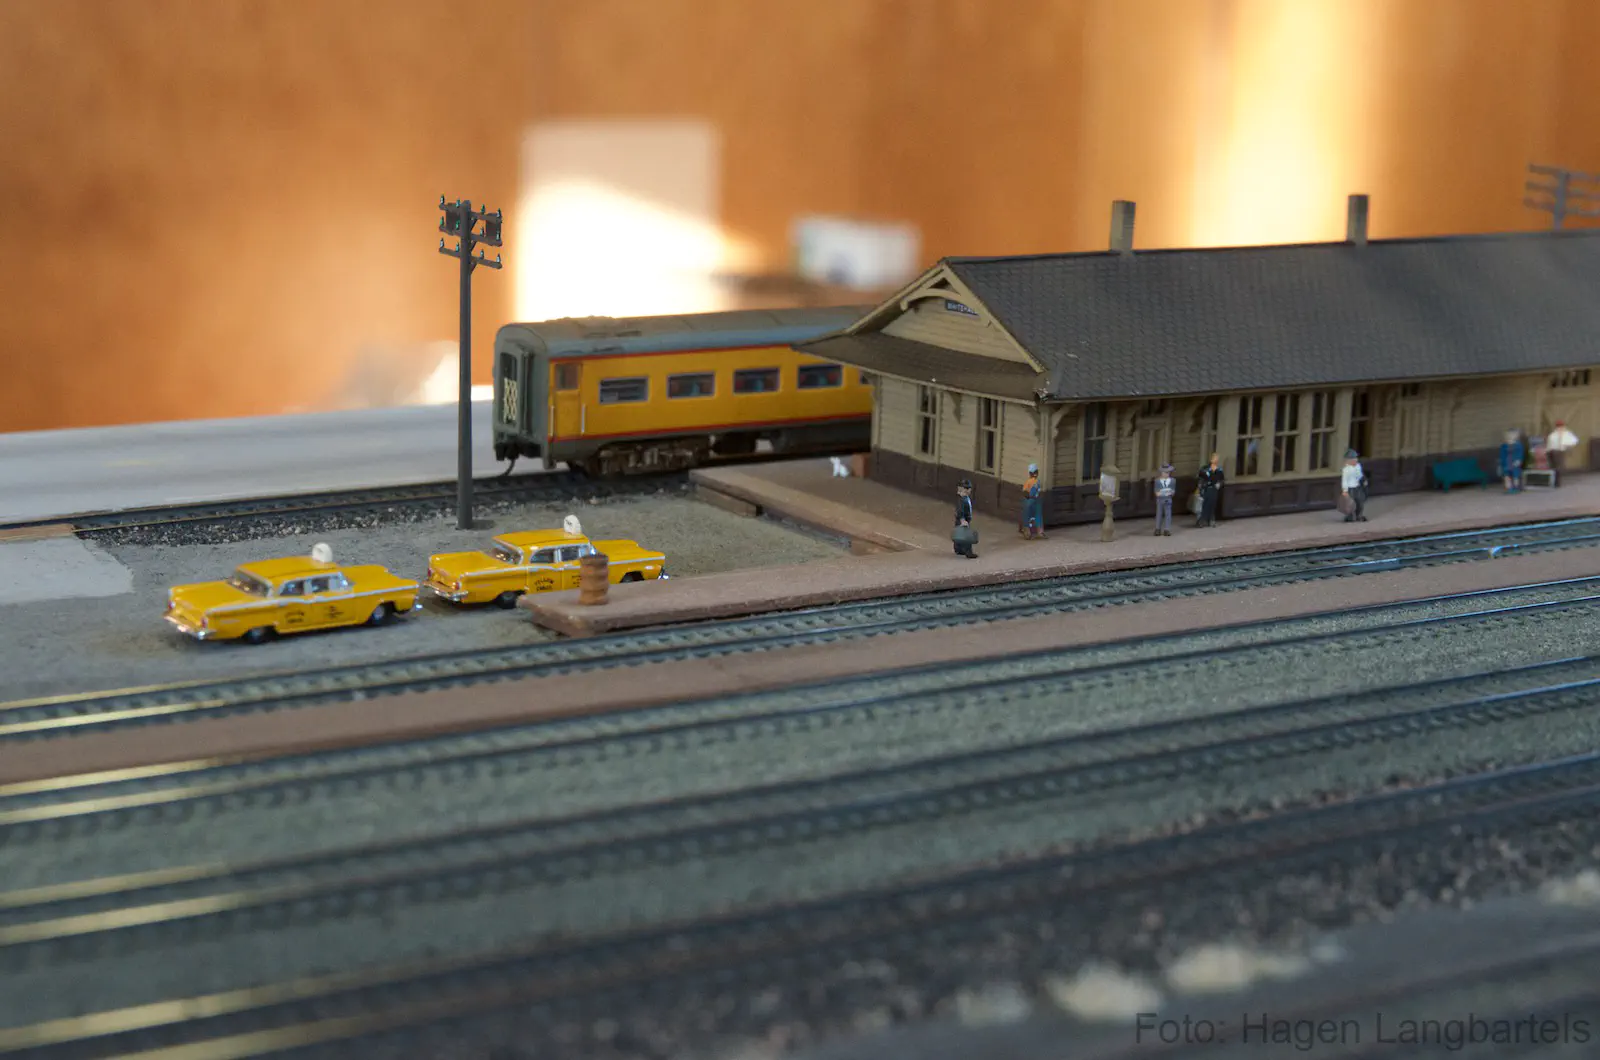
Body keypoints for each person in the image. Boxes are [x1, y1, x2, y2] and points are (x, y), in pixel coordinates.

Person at [1196, 453, 1224, 528]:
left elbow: (1222, 479)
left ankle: (1211, 520)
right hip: (1206, 489)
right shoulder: (1204, 469)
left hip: (1214, 489)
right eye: (1214, 458)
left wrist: (1219, 484)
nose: (1216, 460)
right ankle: (1202, 521)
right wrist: (1200, 487)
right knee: (1204, 505)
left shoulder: (1219, 470)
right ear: (1211, 459)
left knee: (1212, 504)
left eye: (1217, 459)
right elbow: (1200, 478)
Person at [1340, 449, 1368, 522]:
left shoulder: (1358, 466)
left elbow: (1360, 475)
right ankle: (1350, 517)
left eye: (1356, 458)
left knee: (1360, 502)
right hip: (1351, 488)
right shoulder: (1346, 469)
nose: (1355, 460)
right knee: (1350, 503)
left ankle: (1359, 516)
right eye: (1353, 458)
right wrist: (1345, 490)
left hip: (1358, 487)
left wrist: (1364, 480)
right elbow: (1345, 481)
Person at [952, 479, 978, 559]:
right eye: (967, 488)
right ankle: (968, 552)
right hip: (963, 520)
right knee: (967, 537)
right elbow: (960, 510)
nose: (969, 490)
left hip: (963, 519)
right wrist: (962, 519)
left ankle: (958, 549)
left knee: (959, 534)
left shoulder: (964, 498)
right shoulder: (962, 500)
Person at [1019, 463, 1046, 539]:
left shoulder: (1034, 481)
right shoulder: (1033, 482)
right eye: (1034, 472)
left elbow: (1026, 492)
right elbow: (1026, 491)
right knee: (1032, 516)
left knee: (1033, 516)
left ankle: (1034, 532)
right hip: (1032, 501)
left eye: (1035, 472)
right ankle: (1033, 532)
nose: (1035, 474)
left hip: (1033, 501)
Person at [1153, 463, 1176, 536]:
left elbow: (1173, 491)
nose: (1166, 474)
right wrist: (1163, 493)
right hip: (1160, 500)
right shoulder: (1157, 481)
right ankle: (1157, 529)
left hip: (1168, 499)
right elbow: (1156, 492)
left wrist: (1170, 493)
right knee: (1159, 514)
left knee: (1168, 514)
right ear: (1161, 472)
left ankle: (1167, 529)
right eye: (1165, 472)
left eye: (1168, 472)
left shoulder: (1172, 480)